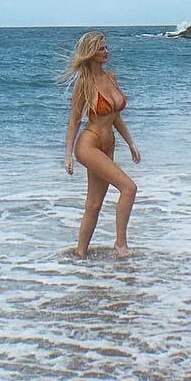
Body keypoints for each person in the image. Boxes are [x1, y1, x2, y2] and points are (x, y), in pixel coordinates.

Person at [59, 30, 139, 258]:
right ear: (91, 52)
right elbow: (74, 120)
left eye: (106, 47)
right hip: (89, 145)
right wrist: (68, 155)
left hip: (108, 145)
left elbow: (116, 117)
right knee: (129, 188)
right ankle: (121, 244)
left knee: (93, 204)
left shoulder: (111, 77)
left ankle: (80, 253)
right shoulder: (83, 83)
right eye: (101, 48)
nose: (106, 51)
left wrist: (131, 143)